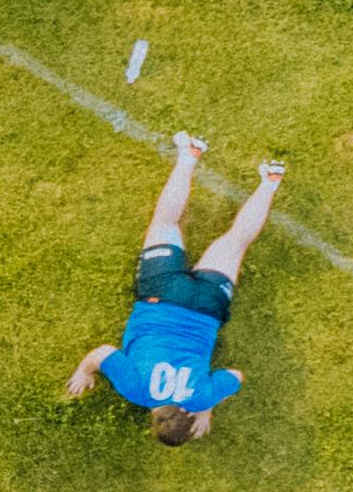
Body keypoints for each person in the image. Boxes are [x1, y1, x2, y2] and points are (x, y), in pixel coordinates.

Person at [61, 133, 284, 440]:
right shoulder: (136, 391)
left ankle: (271, 180)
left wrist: (207, 406)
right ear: (155, 421)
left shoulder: (201, 397)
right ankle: (190, 153)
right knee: (165, 223)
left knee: (235, 241)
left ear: (190, 418)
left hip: (207, 306)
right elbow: (102, 353)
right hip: (161, 296)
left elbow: (235, 376)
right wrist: (84, 372)